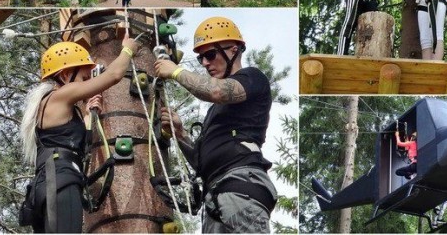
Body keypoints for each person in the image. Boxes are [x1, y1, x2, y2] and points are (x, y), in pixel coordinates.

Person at [154, 17, 277, 233]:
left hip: (241, 190)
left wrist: (175, 71)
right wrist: (180, 134)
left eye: (210, 55)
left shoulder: (252, 78)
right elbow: (202, 163)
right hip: (217, 198)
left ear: (234, 50)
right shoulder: (216, 113)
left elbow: (216, 91)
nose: (204, 63)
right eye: (201, 57)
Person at [18, 36, 140, 233]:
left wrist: (89, 113)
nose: (88, 83)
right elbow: (114, 75)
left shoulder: (54, 104)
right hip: (60, 181)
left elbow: (70, 139)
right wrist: (127, 50)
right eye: (84, 78)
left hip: (49, 185)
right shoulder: (61, 94)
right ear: (65, 75)